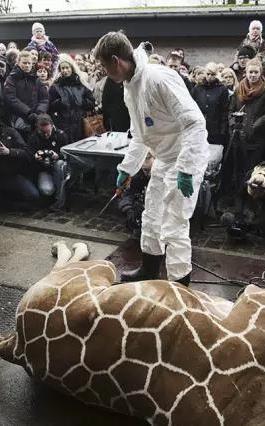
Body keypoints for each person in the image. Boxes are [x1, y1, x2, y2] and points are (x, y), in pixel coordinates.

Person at [94, 32, 209, 285]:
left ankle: (180, 284)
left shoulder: (159, 78)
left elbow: (195, 123)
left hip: (185, 158)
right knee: (152, 214)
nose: (104, 72)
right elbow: (139, 135)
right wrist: (127, 169)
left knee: (174, 223)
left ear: (116, 61)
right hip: (164, 157)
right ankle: (149, 269)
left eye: (104, 66)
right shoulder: (130, 87)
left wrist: (187, 169)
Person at [226, 57, 265, 178]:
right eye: (250, 72)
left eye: (256, 72)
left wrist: (255, 125)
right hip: (238, 136)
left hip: (256, 137)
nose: (253, 75)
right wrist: (233, 124)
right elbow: (230, 110)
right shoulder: (238, 89)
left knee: (252, 169)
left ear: (260, 73)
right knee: (237, 168)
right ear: (246, 73)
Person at [48, 54, 95, 143]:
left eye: (67, 67)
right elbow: (50, 106)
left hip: (81, 125)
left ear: (72, 68)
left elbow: (92, 104)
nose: (65, 70)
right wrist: (61, 102)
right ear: (60, 70)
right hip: (62, 125)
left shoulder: (81, 85)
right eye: (63, 68)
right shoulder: (55, 87)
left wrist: (81, 101)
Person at [27, 114, 69, 211]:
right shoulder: (33, 137)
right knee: (47, 190)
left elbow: (68, 154)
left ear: (52, 126)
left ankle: (60, 200)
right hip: (44, 169)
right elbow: (28, 155)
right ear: (37, 128)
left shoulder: (61, 135)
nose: (46, 135)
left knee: (59, 164)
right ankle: (54, 191)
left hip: (60, 168)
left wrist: (58, 155)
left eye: (48, 132)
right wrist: (35, 156)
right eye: (42, 133)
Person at [4, 50, 49, 137]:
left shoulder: (36, 79)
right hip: (18, 119)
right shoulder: (11, 79)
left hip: (36, 118)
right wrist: (28, 113)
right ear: (18, 62)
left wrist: (39, 113)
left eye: (29, 63)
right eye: (24, 63)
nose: (27, 65)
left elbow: (44, 98)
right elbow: (11, 99)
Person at [191, 62, 229, 146]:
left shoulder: (222, 89)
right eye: (208, 74)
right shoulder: (197, 88)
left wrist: (222, 130)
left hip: (215, 128)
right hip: (199, 127)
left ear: (217, 75)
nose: (210, 77)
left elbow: (224, 111)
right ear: (205, 73)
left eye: (213, 74)